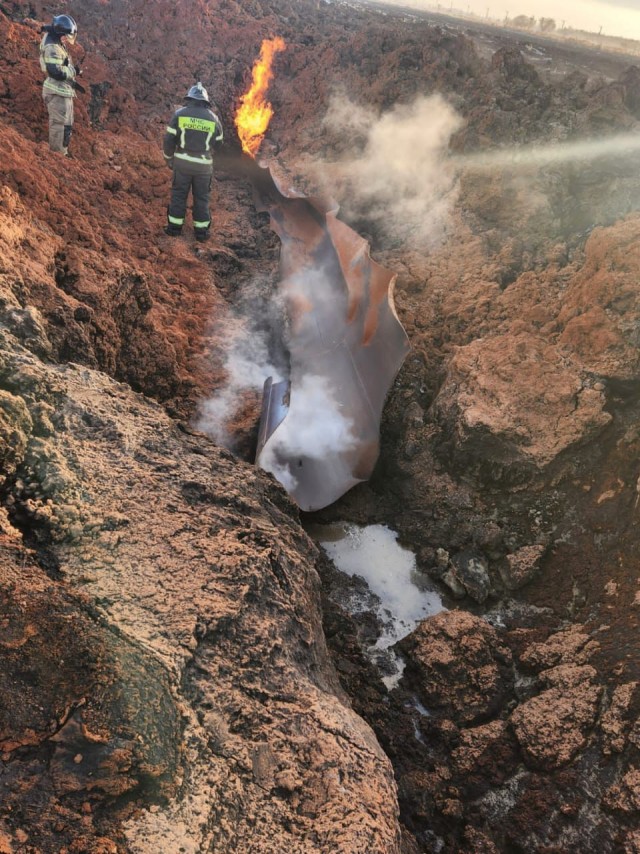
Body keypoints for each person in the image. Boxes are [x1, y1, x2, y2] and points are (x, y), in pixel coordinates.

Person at [163, 83, 224, 242]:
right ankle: (201, 233)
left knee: (178, 196)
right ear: (205, 102)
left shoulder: (179, 114)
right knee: (202, 198)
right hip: (203, 168)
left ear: (189, 99)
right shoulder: (213, 118)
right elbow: (218, 143)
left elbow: (169, 140)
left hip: (182, 165)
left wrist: (169, 158)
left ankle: (174, 229)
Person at [39, 14, 80, 156]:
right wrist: (73, 71)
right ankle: (57, 156)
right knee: (59, 125)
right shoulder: (52, 47)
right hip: (56, 92)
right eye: (65, 37)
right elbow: (55, 72)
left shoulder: (55, 38)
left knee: (66, 125)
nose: (66, 41)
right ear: (59, 33)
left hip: (63, 91)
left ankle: (63, 152)